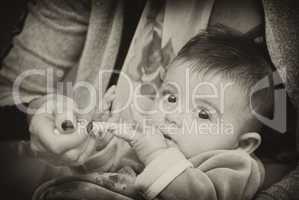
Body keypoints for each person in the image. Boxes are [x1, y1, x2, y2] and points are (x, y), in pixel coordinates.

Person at [59, 27, 271, 200]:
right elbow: (107, 176)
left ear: (244, 145)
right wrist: (100, 146)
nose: (172, 116)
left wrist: (155, 155)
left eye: (203, 114)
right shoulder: (151, 139)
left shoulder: (236, 167)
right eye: (171, 98)